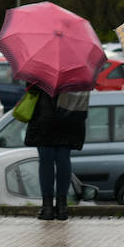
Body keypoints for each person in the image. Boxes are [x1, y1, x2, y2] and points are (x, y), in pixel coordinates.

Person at [23, 84, 90, 221]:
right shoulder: (75, 70)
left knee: (46, 163)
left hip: (45, 118)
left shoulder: (41, 68)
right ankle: (62, 207)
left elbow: (31, 89)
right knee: (63, 160)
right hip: (68, 117)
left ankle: (47, 207)